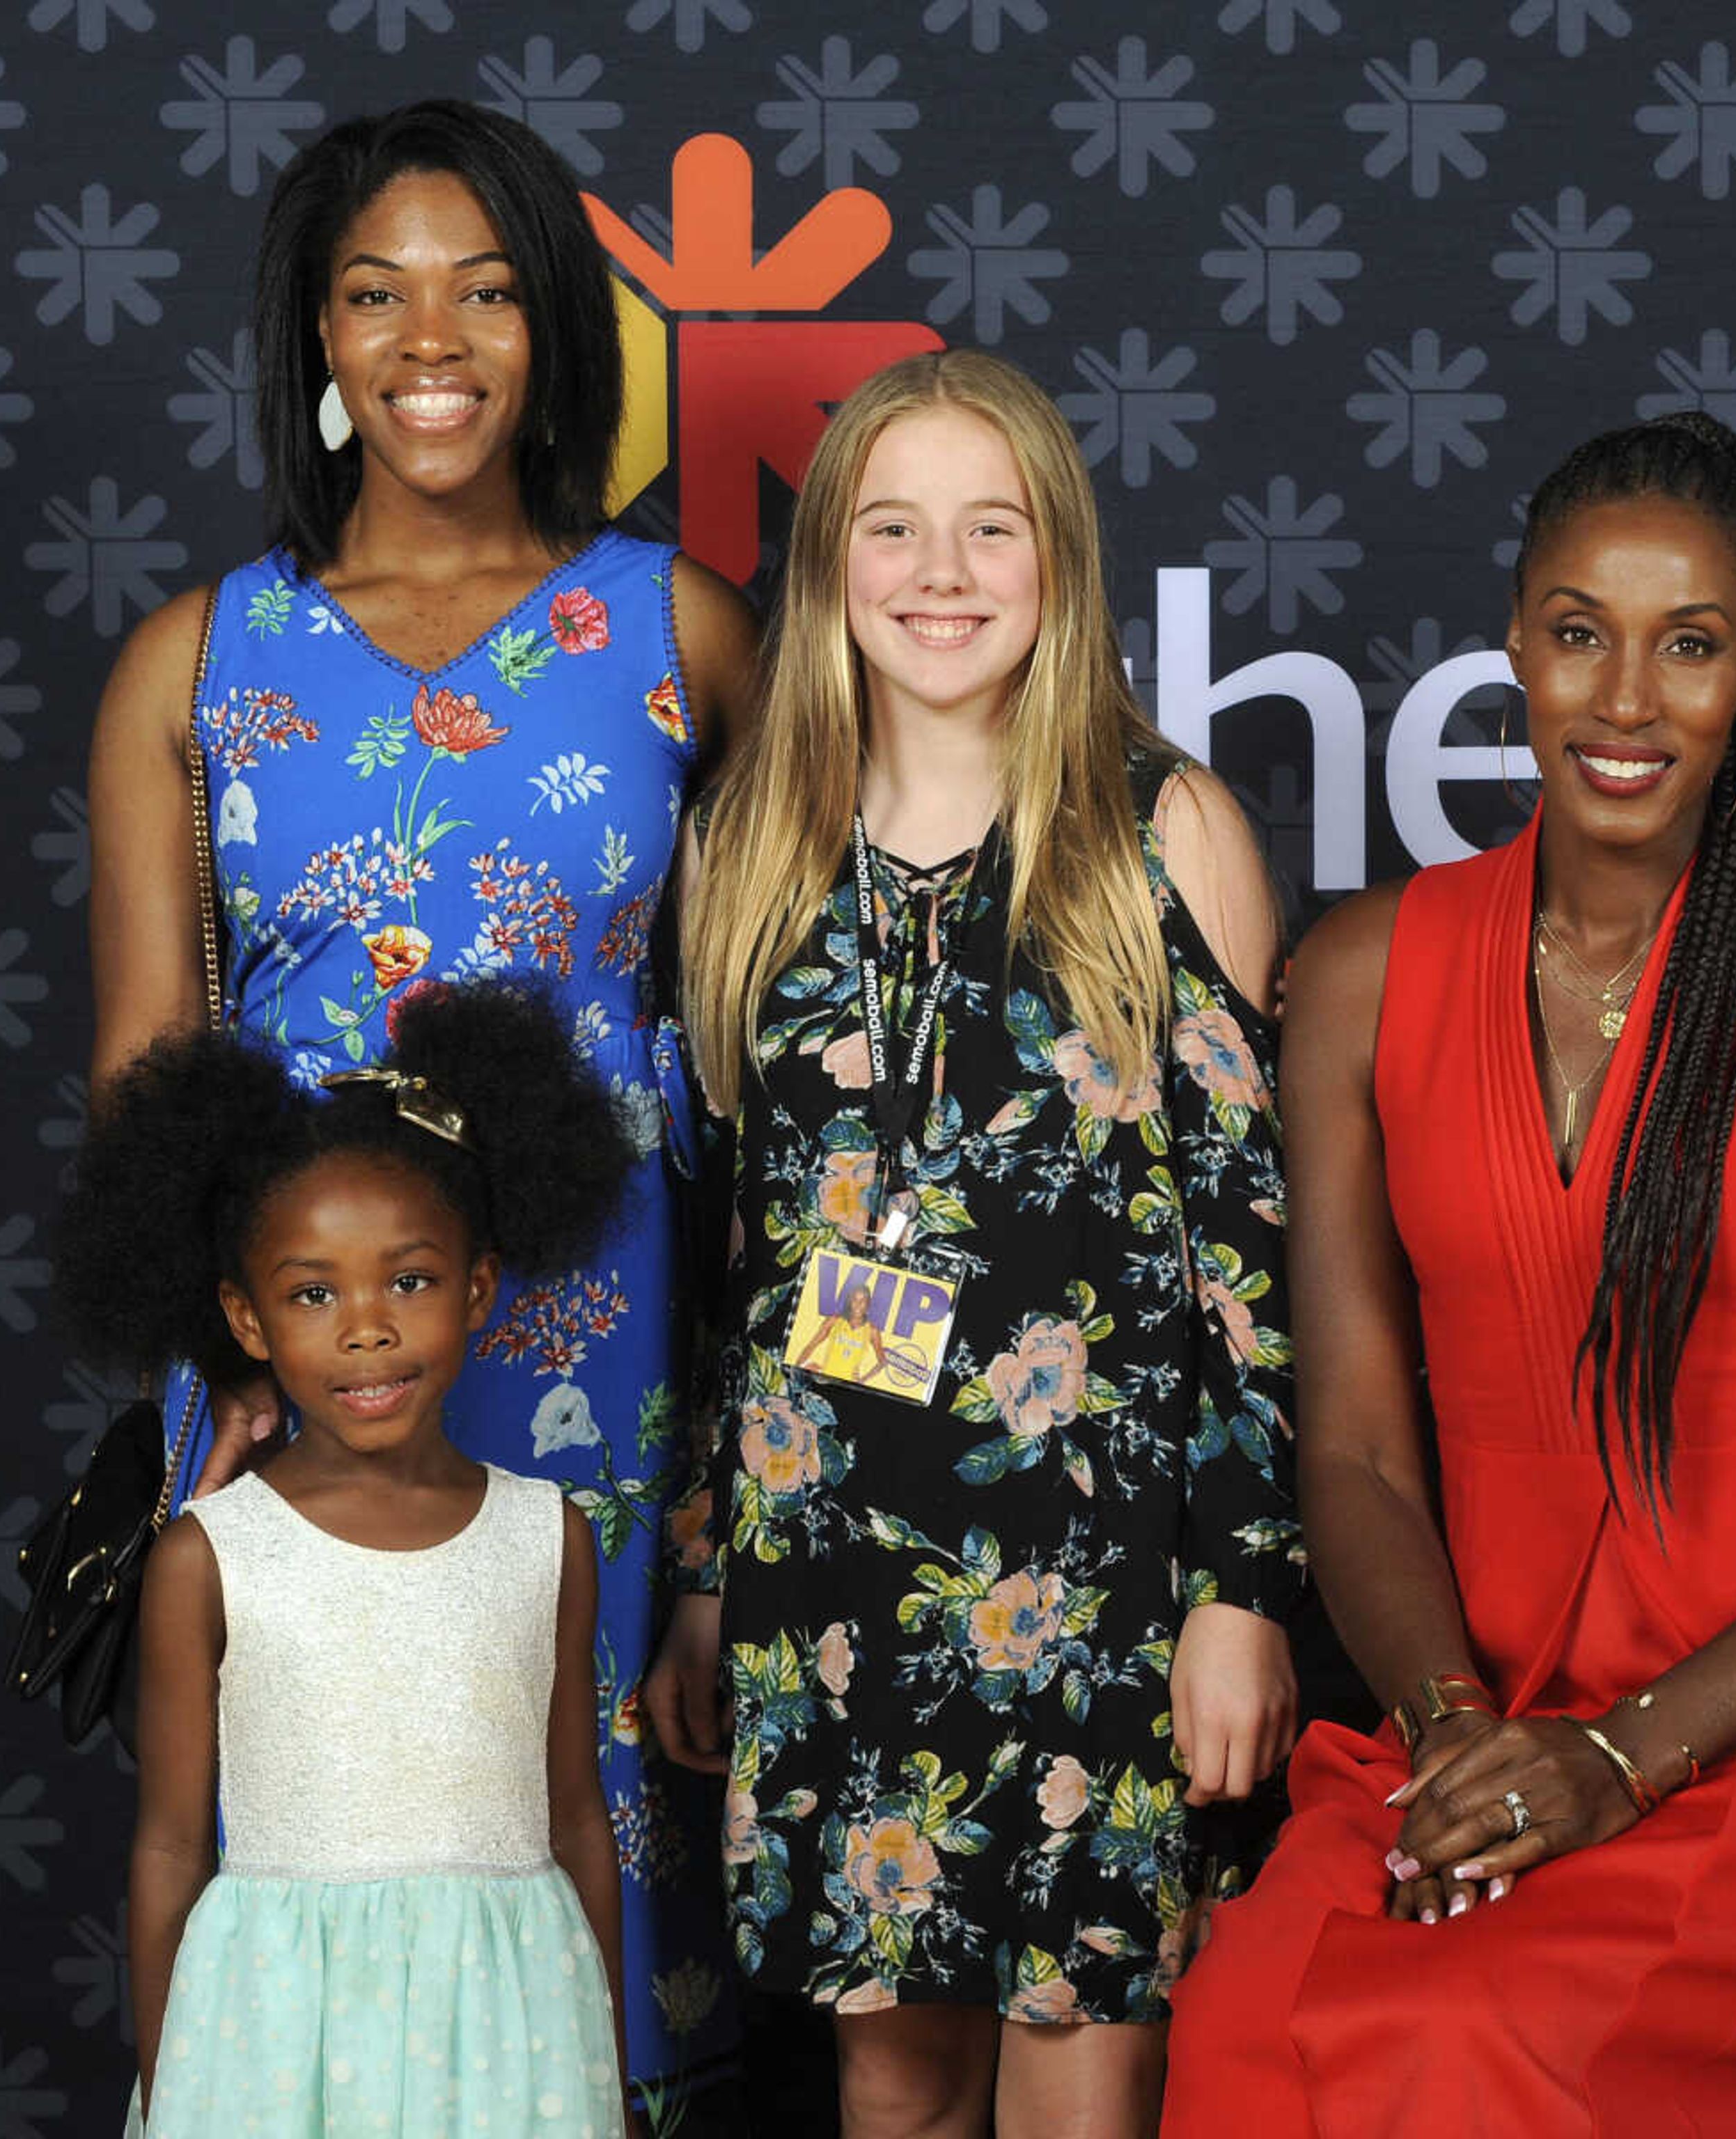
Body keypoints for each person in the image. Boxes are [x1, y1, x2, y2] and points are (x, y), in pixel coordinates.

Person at [1159, 413, 1736, 2135]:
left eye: (1689, 645)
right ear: (1515, 647)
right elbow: (1350, 1448)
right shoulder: (1360, 975)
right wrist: (1459, 1736)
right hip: (1483, 1722)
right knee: (1250, 2035)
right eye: (1581, 633)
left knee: (1466, 2047)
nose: (1627, 699)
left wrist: (1623, 1759)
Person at [81, 101, 757, 2102]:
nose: (429, 338)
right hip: (315, 1355)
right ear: (315, 334)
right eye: (374, 293)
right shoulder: (194, 663)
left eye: (480, 290)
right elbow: (145, 1079)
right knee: (321, 1837)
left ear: (551, 328)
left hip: (604, 1350)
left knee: (577, 1844)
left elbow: (767, 1050)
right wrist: (246, 1371)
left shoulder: (677, 632)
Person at [643, 349, 1300, 2138]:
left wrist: (1242, 1591)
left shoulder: (1164, 832)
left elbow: (1247, 1259)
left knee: (1083, 2075)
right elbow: (745, 1260)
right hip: (833, 1576)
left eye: (989, 527)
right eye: (895, 527)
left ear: (1058, 560)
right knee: (893, 2083)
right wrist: (707, 1563)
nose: (942, 573)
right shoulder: (750, 847)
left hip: (1096, 1583)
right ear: (832, 564)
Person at [64, 982, 636, 2136]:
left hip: (510, 2038)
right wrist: (174, 2084)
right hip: (275, 2047)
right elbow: (174, 1843)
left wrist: (602, 2067)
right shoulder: (208, 1556)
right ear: (245, 1319)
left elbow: (578, 1821)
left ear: (477, 1289)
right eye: (314, 1294)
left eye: (409, 1281)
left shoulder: (547, 1535)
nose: (366, 1326)